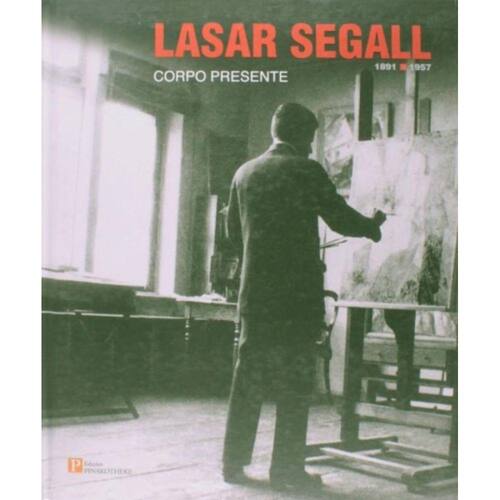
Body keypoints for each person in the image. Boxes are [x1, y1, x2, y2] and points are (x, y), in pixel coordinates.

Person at [222, 102, 386, 492]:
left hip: (255, 295)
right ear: (298, 134)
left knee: (247, 379)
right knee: (295, 382)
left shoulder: (244, 172)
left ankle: (232, 463)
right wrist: (372, 226)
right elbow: (339, 217)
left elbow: (232, 235)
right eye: (310, 138)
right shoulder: (306, 169)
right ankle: (286, 470)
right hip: (296, 297)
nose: (312, 147)